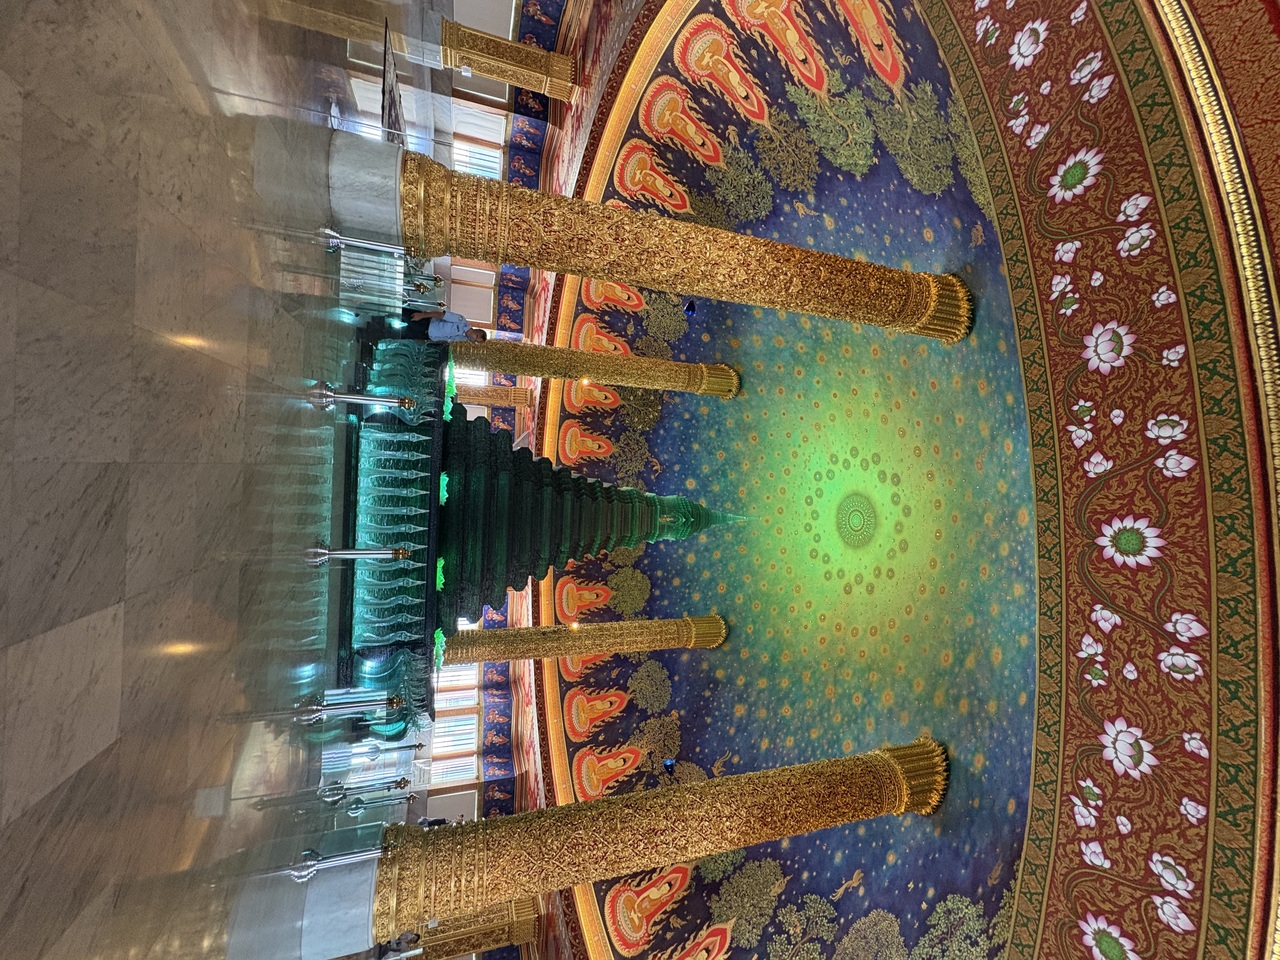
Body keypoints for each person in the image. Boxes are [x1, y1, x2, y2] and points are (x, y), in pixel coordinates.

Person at [405, 308, 488, 343]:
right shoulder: (461, 321)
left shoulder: (462, 339)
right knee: (400, 315)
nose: (473, 339)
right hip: (425, 322)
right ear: (477, 331)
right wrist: (422, 315)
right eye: (476, 337)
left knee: (399, 333)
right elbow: (441, 315)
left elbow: (445, 339)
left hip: (424, 335)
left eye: (476, 341)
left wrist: (425, 340)